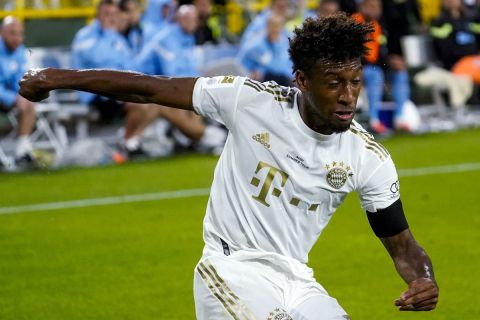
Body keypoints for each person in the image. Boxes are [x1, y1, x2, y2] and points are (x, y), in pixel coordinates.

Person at [19, 13, 439, 319]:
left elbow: (403, 247)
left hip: (298, 279)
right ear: (303, 81)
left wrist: (422, 278)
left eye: (355, 82)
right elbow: (149, 89)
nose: (348, 95)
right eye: (334, 83)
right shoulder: (249, 100)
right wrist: (56, 77)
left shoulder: (368, 157)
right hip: (230, 268)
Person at [124, 5, 225, 157]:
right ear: (177, 20)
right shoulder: (167, 39)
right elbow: (171, 76)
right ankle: (208, 137)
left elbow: (189, 72)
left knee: (193, 101)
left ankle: (200, 137)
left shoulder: (188, 37)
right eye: (186, 19)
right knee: (163, 105)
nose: (190, 22)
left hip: (154, 85)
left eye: (193, 19)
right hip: (136, 86)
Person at [352, 0, 413, 134]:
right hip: (357, 69)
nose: (376, 10)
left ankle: (399, 119)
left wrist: (391, 60)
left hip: (375, 67)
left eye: (379, 7)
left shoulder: (377, 26)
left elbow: (380, 53)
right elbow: (354, 53)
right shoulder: (353, 24)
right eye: (372, 6)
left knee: (400, 73)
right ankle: (373, 120)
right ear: (362, 6)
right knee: (375, 75)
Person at [71, 0, 132, 123]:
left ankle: (130, 138)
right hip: (94, 93)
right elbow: (98, 58)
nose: (111, 18)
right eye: (107, 14)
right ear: (98, 15)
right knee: (142, 105)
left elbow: (130, 63)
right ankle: (130, 138)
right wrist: (109, 33)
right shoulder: (85, 34)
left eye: (114, 14)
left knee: (153, 100)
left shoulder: (117, 37)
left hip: (118, 89)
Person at [0, 16, 36, 166]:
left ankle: (22, 151)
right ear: (2, 33)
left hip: (8, 98)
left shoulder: (20, 52)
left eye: (20, 33)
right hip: (3, 96)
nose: (17, 38)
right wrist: (12, 98)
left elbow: (20, 80)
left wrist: (21, 96)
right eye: (12, 33)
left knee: (29, 102)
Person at [238, 13, 293, 86]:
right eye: (273, 26)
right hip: (261, 82)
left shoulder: (284, 43)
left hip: (283, 80)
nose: (275, 30)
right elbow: (241, 64)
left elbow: (285, 67)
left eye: (278, 26)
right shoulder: (255, 45)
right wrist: (252, 73)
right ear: (267, 26)